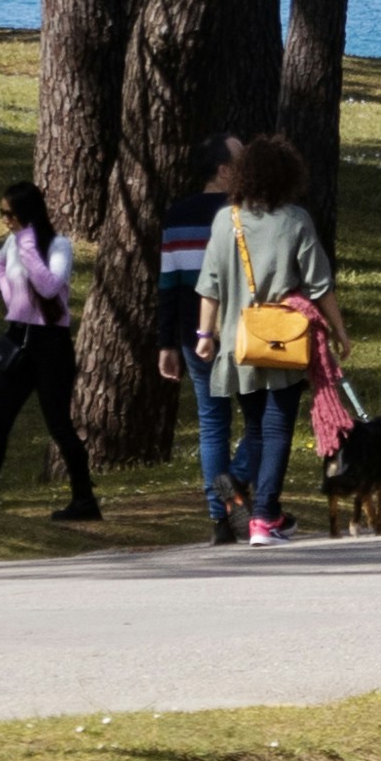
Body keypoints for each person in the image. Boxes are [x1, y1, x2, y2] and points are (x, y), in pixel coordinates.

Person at [190, 136, 337, 545]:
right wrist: (339, 331)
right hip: (284, 339)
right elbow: (320, 284)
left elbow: (210, 286)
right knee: (277, 429)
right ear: (288, 176)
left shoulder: (226, 220)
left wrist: (205, 336)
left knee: (255, 426)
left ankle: (250, 496)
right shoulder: (296, 220)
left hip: (241, 342)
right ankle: (265, 515)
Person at [0, 184, 103, 518]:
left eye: (10, 213)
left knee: (59, 424)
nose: (5, 220)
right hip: (19, 337)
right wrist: (14, 302)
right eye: (2, 213)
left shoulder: (58, 245)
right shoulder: (12, 242)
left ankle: (84, 500)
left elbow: (50, 286)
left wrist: (28, 245)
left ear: (27, 213)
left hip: (51, 344)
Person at [152, 142, 238, 539]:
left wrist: (166, 343)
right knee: (262, 417)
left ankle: (220, 516)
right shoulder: (243, 213)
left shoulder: (177, 214)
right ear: (223, 171)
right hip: (242, 330)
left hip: (191, 331)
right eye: (241, 162)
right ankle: (233, 487)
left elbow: (168, 285)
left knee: (212, 421)